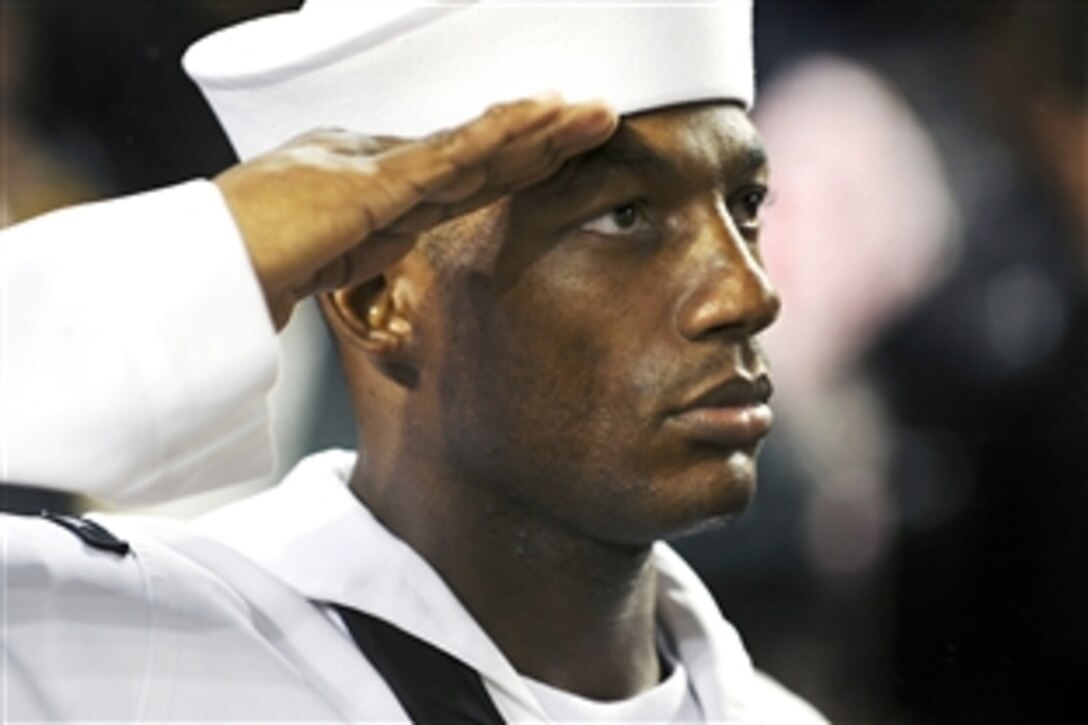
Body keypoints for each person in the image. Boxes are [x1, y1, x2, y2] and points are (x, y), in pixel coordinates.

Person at [2, 2, 826, 721]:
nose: (747, 293)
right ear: (375, 298)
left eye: (745, 206)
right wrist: (221, 248)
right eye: (623, 216)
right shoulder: (127, 654)